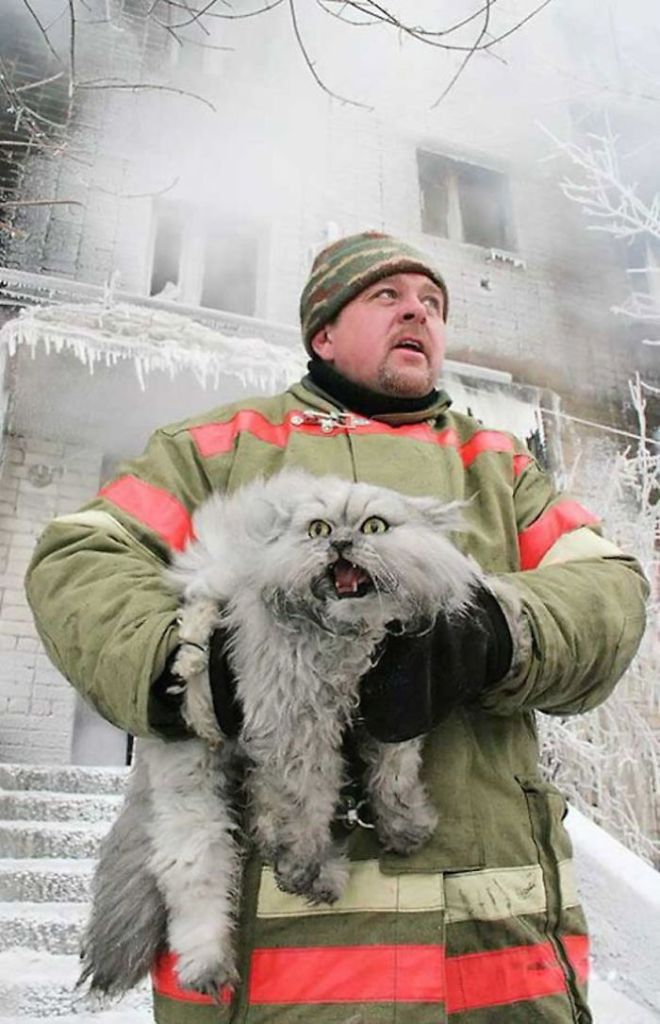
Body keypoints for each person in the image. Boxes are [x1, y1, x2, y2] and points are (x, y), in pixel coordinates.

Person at [25, 232, 648, 1024]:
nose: (417, 312)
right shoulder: (219, 447)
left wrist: (492, 633)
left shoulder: (499, 468)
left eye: (432, 304)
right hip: (270, 989)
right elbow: (77, 560)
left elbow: (609, 587)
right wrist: (197, 668)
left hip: (491, 960)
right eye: (387, 297)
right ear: (323, 331)